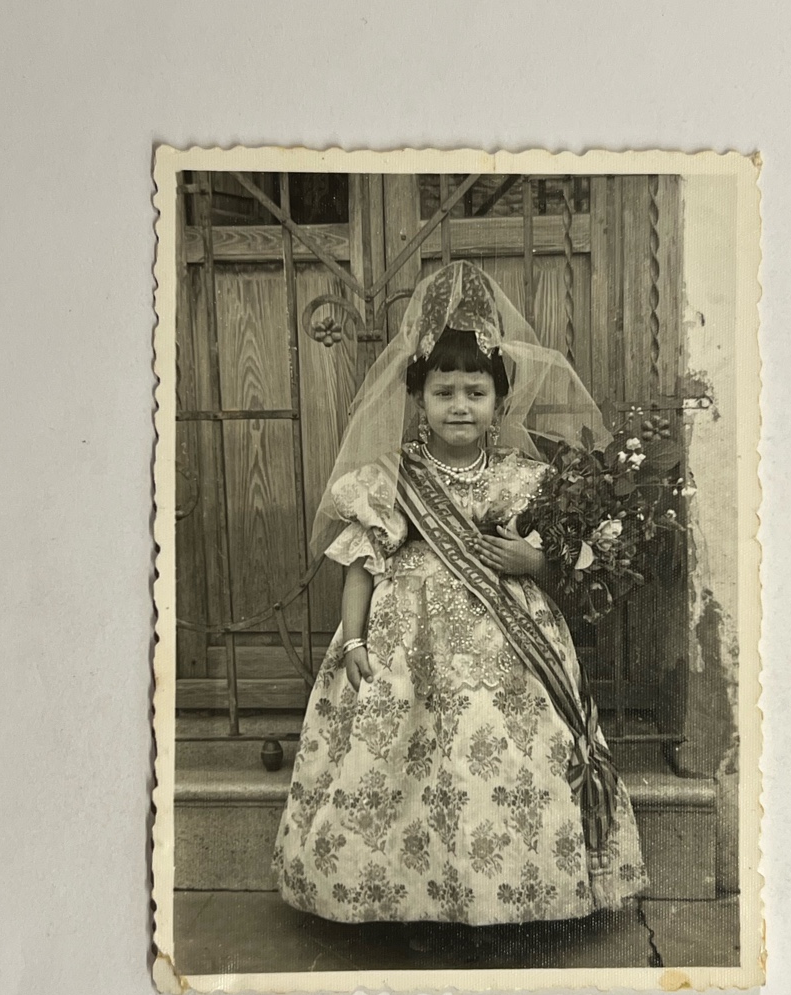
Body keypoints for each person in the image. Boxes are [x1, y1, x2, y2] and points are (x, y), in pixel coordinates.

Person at [273, 261, 647, 936]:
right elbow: (361, 562)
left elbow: (569, 555)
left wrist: (531, 558)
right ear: (418, 397)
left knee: (501, 758)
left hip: (508, 650)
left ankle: (513, 895)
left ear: (500, 400)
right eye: (444, 391)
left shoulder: (522, 479)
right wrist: (356, 641)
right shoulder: (392, 478)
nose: (460, 406)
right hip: (404, 643)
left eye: (475, 391)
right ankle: (413, 898)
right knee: (406, 756)